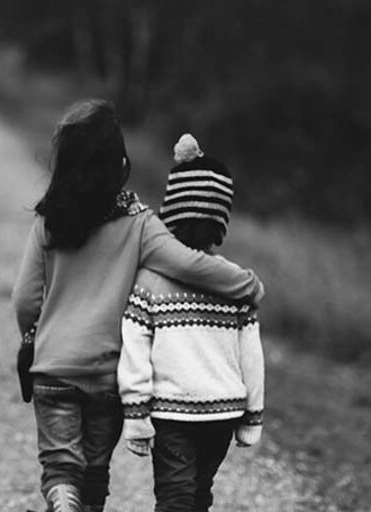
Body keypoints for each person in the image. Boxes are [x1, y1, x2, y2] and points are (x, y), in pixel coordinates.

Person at [11, 102, 264, 512]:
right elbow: (189, 263)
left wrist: (34, 336)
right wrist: (247, 284)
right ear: (121, 164)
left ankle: (61, 496)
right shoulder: (139, 223)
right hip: (107, 374)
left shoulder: (48, 222)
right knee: (94, 471)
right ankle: (82, 501)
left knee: (61, 464)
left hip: (54, 367)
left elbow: (25, 298)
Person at [117, 134, 265, 512]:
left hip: (172, 415)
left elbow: (134, 349)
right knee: (195, 495)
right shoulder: (234, 282)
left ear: (171, 212)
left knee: (178, 497)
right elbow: (252, 355)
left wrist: (135, 413)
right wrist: (252, 415)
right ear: (221, 220)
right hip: (221, 413)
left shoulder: (149, 280)